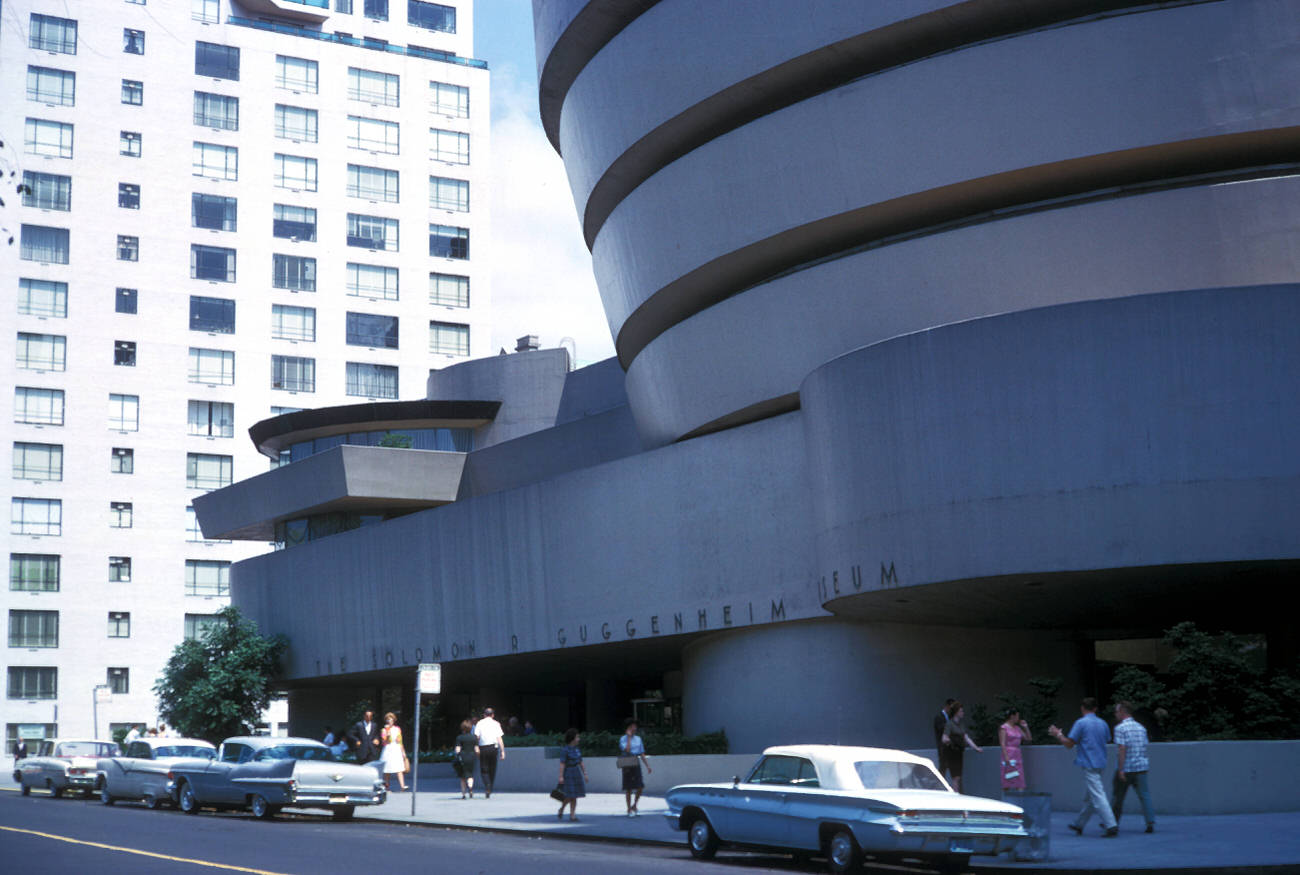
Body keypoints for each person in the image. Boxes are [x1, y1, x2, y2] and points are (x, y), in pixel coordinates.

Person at [1049, 697, 1118, 837]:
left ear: (1082, 708)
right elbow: (1106, 739)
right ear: (1095, 708)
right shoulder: (1103, 723)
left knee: (1097, 795)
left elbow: (1069, 744)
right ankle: (1079, 824)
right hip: (1101, 762)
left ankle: (1111, 824)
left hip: (1089, 763)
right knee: (1091, 797)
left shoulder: (1081, 723)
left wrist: (1058, 734)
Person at [1111, 701, 1156, 833]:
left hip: (1127, 767)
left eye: (1117, 711)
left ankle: (1112, 823)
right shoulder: (1141, 728)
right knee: (1144, 795)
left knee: (1117, 797)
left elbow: (1122, 749)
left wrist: (1121, 769)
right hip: (1141, 767)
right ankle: (1150, 822)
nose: (1115, 714)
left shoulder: (1120, 728)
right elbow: (1144, 746)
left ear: (1122, 712)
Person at [940, 700, 983, 792]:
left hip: (959, 752)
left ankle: (956, 793)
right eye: (961, 711)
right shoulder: (950, 724)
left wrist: (976, 748)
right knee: (955, 777)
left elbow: (966, 737)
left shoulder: (961, 724)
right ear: (956, 712)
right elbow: (944, 738)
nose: (963, 713)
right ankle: (955, 796)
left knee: (958, 777)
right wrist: (951, 741)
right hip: (952, 752)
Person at [619, 718, 652, 816]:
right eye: (633, 726)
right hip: (627, 762)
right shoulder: (623, 739)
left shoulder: (638, 739)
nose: (635, 728)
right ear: (629, 728)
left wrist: (647, 766)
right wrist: (629, 737)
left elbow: (641, 753)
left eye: (635, 726)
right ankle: (628, 808)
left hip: (636, 761)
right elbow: (627, 750)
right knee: (628, 787)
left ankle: (635, 805)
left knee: (640, 786)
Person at [556, 728, 588, 821]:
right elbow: (562, 763)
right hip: (568, 772)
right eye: (577, 737)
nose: (579, 739)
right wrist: (561, 776)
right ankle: (562, 809)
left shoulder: (577, 750)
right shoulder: (565, 750)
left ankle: (572, 815)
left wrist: (585, 773)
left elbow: (581, 762)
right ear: (572, 738)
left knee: (575, 795)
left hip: (576, 771)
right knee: (569, 795)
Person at [474, 707, 506, 798]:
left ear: (484, 715)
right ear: (493, 715)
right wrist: (503, 751)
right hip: (493, 748)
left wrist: (476, 747)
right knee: (492, 768)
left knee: (484, 769)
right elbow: (499, 738)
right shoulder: (496, 724)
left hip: (483, 748)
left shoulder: (479, 723)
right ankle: (490, 786)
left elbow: (477, 737)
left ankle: (487, 785)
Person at [999, 708, 1033, 792]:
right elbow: (1002, 743)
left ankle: (1019, 800)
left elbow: (1028, 738)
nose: (1018, 718)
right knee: (1008, 779)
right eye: (1017, 716)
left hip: (1017, 755)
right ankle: (1006, 800)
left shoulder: (1017, 728)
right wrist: (1006, 757)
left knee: (1019, 780)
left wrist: (1026, 727)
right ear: (1012, 716)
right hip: (1008, 754)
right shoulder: (1003, 728)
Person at [380, 712, 407, 791]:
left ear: (394, 721)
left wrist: (403, 752)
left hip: (396, 749)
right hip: (388, 749)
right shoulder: (384, 730)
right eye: (388, 720)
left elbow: (400, 741)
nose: (389, 721)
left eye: (391, 720)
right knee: (387, 770)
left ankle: (402, 786)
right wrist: (388, 734)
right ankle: (386, 787)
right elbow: (384, 742)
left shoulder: (397, 729)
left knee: (399, 768)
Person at [453, 720, 480, 799]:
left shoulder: (459, 738)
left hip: (463, 757)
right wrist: (478, 756)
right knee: (470, 774)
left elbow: (457, 749)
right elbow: (477, 749)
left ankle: (464, 794)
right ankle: (470, 787)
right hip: (471, 757)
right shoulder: (474, 738)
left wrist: (457, 755)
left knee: (463, 777)